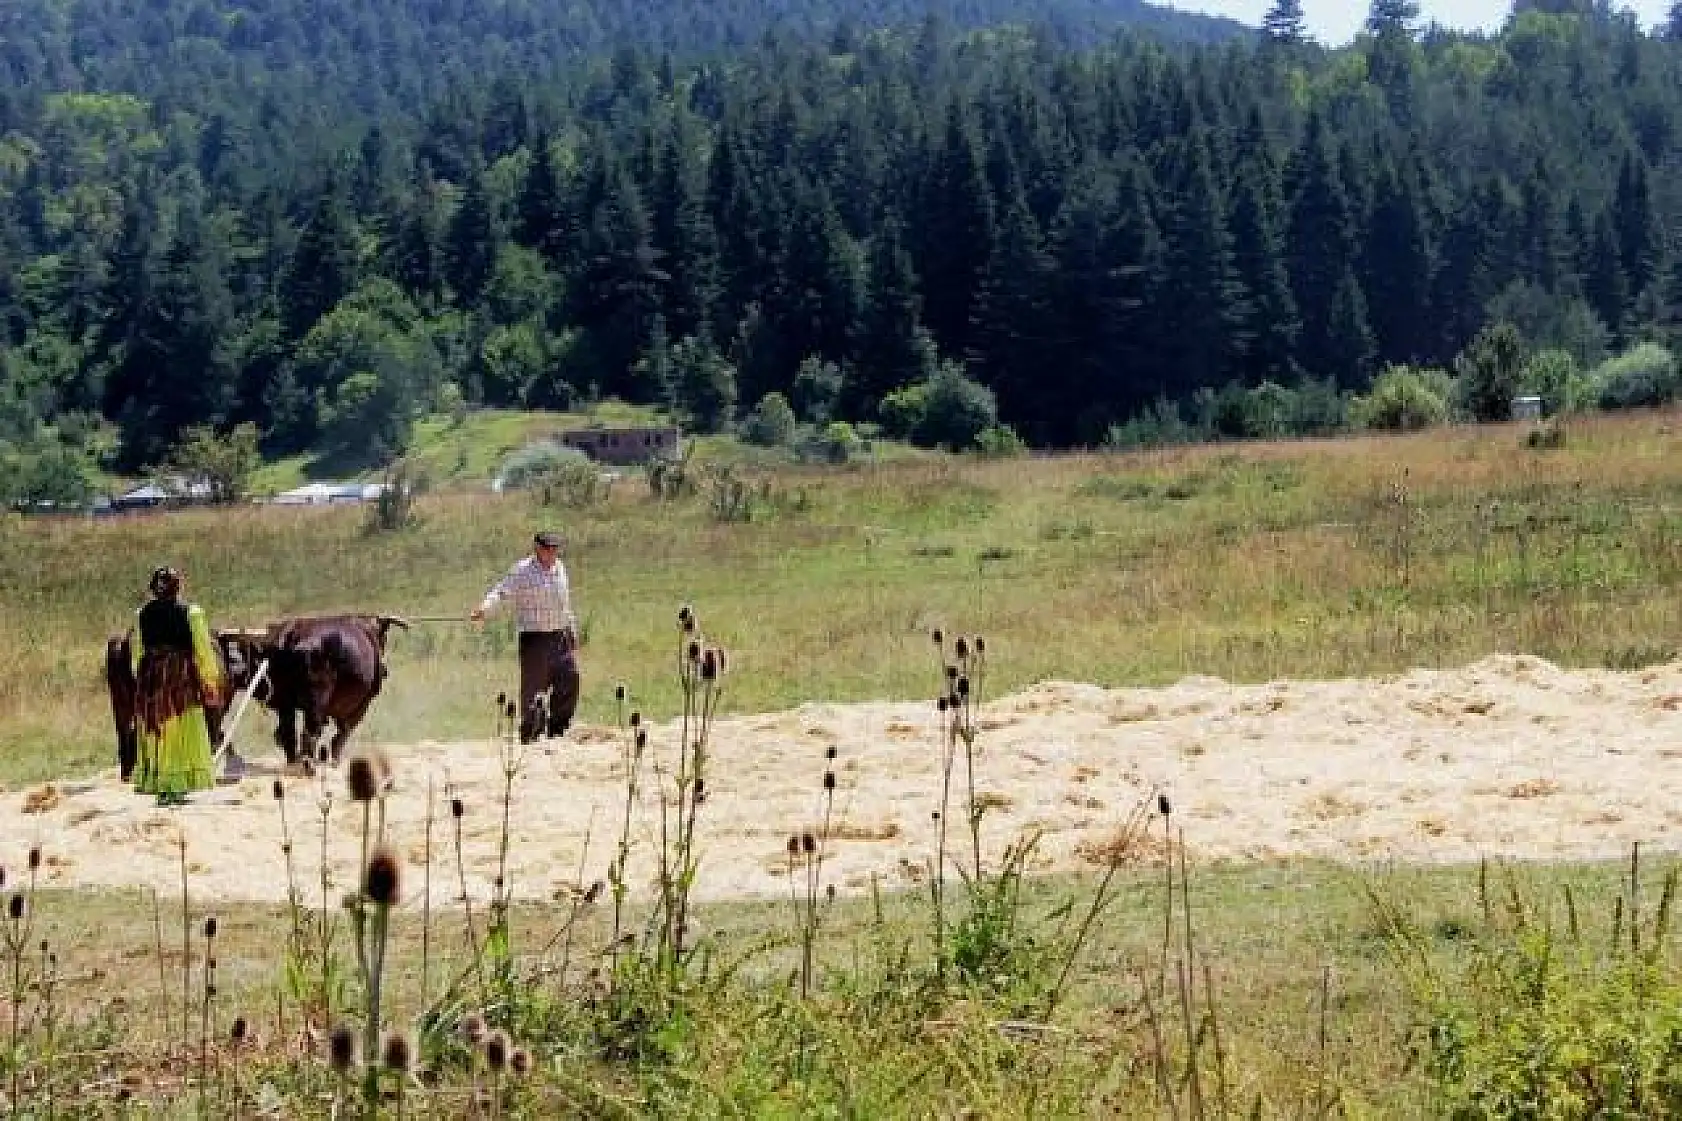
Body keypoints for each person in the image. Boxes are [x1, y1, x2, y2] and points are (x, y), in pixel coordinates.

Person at [471, 530, 581, 744]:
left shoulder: (560, 569)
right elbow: (502, 592)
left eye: (555, 548)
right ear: (537, 548)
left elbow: (564, 605)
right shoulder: (523, 571)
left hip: (560, 637)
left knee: (570, 680)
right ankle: (531, 735)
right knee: (534, 690)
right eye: (548, 548)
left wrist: (572, 629)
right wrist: (484, 609)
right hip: (535, 639)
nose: (552, 553)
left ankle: (558, 731)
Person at [131, 566, 225, 806]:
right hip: (178, 678)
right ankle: (174, 786)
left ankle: (161, 784)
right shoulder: (191, 613)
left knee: (157, 730)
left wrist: (141, 677)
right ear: (177, 587)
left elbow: (139, 651)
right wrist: (209, 681)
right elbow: (203, 649)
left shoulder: (141, 614)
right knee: (180, 729)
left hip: (151, 677)